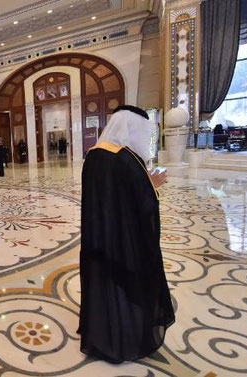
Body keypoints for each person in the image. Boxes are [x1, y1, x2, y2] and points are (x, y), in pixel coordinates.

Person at [79, 105, 175, 363]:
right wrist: (154, 185)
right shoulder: (126, 159)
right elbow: (143, 204)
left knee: (103, 284)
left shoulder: (94, 155)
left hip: (99, 238)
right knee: (123, 284)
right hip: (122, 240)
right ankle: (122, 338)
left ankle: (100, 332)